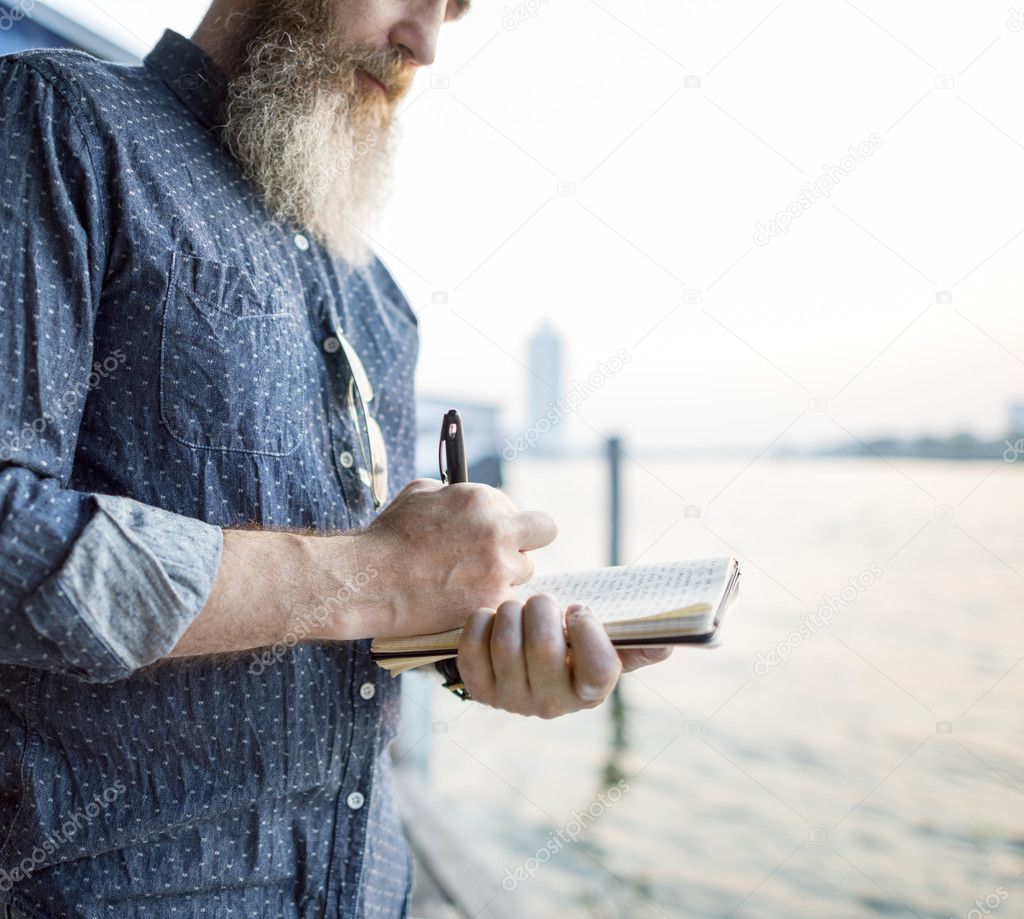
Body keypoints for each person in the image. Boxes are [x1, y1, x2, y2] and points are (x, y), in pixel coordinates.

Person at [0, 1, 671, 915]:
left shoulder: (382, 301)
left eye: (452, 10)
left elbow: (363, 627)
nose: (425, 43)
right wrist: (381, 571)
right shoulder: (58, 119)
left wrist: (481, 648)